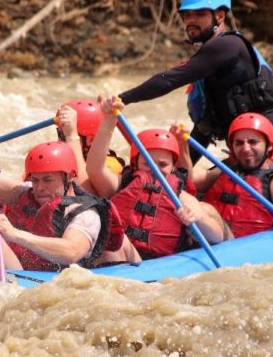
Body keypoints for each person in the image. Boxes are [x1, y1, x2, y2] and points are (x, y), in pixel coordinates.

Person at [115, 0, 273, 169]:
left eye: (200, 14)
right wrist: (180, 173)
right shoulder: (210, 69)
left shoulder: (228, 46)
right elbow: (204, 130)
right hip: (244, 157)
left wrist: (122, 98)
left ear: (219, 15)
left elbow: (169, 80)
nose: (191, 21)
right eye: (187, 15)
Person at [0, 92, 123, 271]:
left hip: (54, 285)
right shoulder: (27, 191)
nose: (39, 188)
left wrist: (15, 235)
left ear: (69, 177)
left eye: (48, 180)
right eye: (35, 180)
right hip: (21, 276)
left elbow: (72, 251)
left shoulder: (86, 214)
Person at [86, 96, 226, 262]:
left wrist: (197, 218)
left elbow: (217, 236)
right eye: (148, 163)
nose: (155, 169)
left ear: (173, 167)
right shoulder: (122, 183)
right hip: (122, 257)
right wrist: (109, 121)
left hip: (160, 265)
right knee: (114, 242)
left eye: (163, 164)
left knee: (207, 211)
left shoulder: (181, 197)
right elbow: (95, 168)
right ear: (136, 164)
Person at [177, 112, 273, 239]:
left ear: (268, 146)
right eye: (239, 143)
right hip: (209, 235)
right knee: (183, 195)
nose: (246, 148)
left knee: (205, 208)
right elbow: (186, 181)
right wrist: (181, 146)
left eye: (253, 142)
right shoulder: (225, 170)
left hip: (239, 245)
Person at [55, 99, 125, 193]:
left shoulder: (111, 165)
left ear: (91, 140)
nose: (59, 141)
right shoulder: (57, 157)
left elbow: (84, 192)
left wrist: (71, 136)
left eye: (63, 136)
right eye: (59, 133)